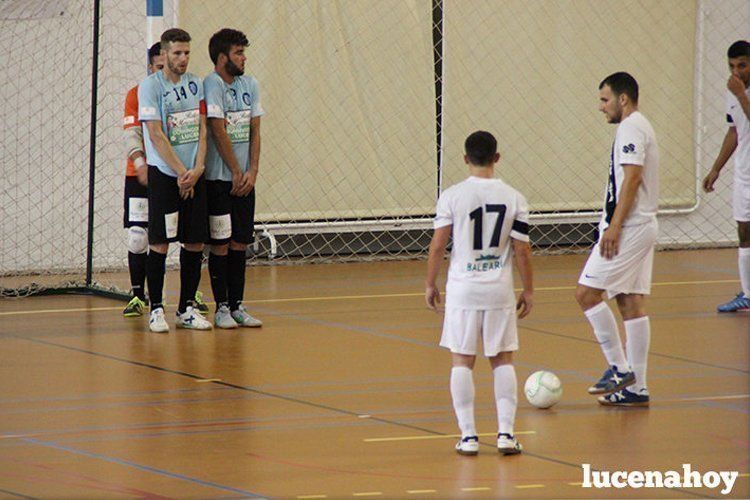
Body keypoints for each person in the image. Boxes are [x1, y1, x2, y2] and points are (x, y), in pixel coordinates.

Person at [425, 131, 533, 456]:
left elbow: (438, 245)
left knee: (462, 360)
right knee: (502, 360)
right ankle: (506, 434)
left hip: (463, 289)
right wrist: (528, 289)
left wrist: (430, 283)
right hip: (498, 291)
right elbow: (523, 250)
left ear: (465, 158)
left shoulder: (452, 196)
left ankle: (469, 436)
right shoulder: (515, 197)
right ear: (497, 158)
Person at [575, 72, 659, 407]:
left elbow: (632, 178)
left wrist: (614, 227)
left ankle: (619, 369)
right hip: (641, 225)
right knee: (630, 302)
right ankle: (636, 388)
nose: (601, 107)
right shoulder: (639, 125)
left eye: (605, 99)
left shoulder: (631, 127)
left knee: (586, 293)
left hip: (630, 227)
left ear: (623, 99)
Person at [122, 43, 209, 318]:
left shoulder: (190, 87)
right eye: (159, 66)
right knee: (140, 236)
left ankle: (189, 297)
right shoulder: (138, 93)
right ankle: (140, 296)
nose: (165, 69)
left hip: (179, 172)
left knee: (190, 234)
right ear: (151, 67)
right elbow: (134, 132)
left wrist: (190, 170)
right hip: (144, 172)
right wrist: (139, 162)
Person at [203, 28, 264, 329]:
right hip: (219, 180)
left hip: (244, 180)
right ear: (222, 56)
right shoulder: (211, 84)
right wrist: (235, 172)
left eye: (243, 52)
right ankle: (221, 307)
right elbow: (217, 129)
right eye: (238, 52)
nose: (244, 57)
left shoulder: (250, 84)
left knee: (241, 242)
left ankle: (238, 305)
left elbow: (255, 130)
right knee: (221, 243)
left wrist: (252, 171)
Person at [702, 40, 750, 312]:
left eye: (742, 65)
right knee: (744, 231)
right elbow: (734, 131)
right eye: (732, 66)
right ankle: (748, 294)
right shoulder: (732, 91)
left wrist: (742, 95)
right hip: (744, 173)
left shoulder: (739, 91)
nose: (737, 71)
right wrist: (716, 168)